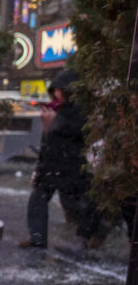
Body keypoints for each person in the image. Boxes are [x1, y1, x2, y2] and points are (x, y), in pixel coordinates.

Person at [19, 70, 92, 249]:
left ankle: (85, 237)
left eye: (60, 90)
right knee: (38, 200)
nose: (56, 94)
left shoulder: (78, 111)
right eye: (55, 90)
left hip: (70, 165)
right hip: (51, 164)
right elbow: (47, 139)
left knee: (81, 203)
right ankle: (37, 238)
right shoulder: (53, 110)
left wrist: (57, 124)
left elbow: (80, 132)